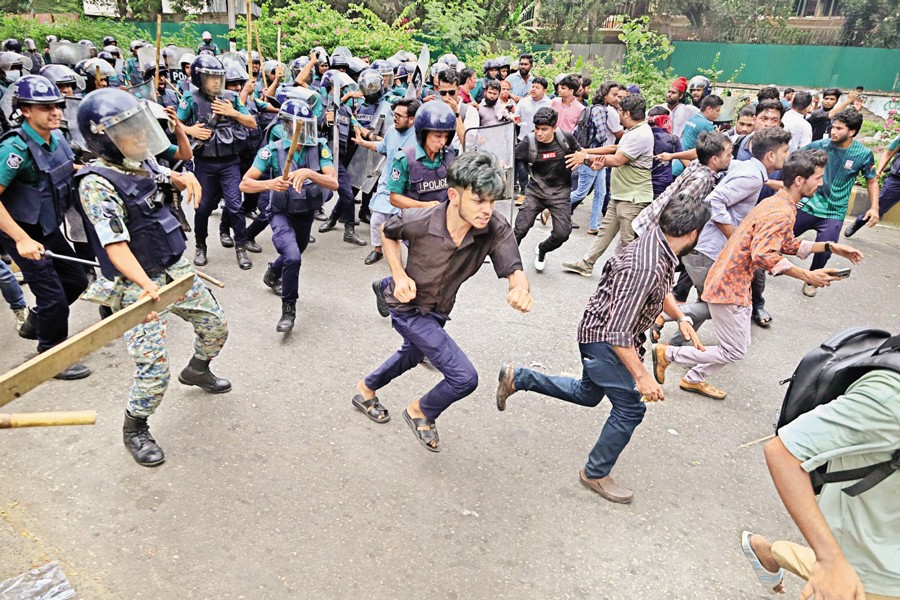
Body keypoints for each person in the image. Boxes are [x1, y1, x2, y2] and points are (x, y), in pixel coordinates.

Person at [496, 193, 710, 504]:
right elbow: (618, 333)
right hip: (605, 340)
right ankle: (595, 473)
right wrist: (642, 377)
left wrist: (680, 317)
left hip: (602, 333)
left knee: (588, 394)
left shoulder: (660, 245)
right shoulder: (646, 264)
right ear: (693, 233)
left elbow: (661, 288)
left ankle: (519, 378)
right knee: (631, 408)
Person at [75, 88, 229, 467]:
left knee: (215, 327)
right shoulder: (96, 183)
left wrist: (183, 178)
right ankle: (135, 428)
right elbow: (115, 246)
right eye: (130, 130)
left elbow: (165, 175)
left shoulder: (139, 160)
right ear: (105, 139)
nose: (141, 135)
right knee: (154, 371)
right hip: (135, 285)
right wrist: (146, 286)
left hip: (173, 267)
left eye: (139, 126)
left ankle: (197, 370)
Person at [354, 152, 532, 452]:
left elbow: (514, 270)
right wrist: (398, 275)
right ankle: (420, 411)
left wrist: (521, 289)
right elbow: (388, 231)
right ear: (453, 195)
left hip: (439, 310)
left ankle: (365, 389)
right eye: (479, 200)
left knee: (411, 355)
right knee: (464, 377)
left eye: (492, 201)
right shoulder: (421, 219)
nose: (487, 209)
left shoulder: (493, 227)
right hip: (408, 307)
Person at [653, 149, 863, 400]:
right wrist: (808, 276)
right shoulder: (780, 211)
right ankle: (668, 354)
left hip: (730, 282)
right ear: (799, 180)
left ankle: (693, 376)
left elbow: (787, 244)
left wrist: (829, 246)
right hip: (731, 286)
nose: (821, 183)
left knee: (735, 342)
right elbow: (764, 255)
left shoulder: (779, 203)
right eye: (818, 178)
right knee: (735, 350)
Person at [741, 368, 900, 600]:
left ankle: (769, 553)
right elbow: (783, 452)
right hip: (871, 572)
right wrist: (830, 559)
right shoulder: (891, 397)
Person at [0, 75, 89, 380]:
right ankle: (51, 355)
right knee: (52, 296)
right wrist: (21, 239)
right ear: (25, 110)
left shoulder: (57, 138)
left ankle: (37, 320)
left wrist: (89, 169)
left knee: (76, 280)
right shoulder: (14, 148)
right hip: (21, 230)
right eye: (45, 107)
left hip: (48, 225)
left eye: (57, 106)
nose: (55, 112)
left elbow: (61, 168)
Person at [240, 100, 337, 333]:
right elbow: (245, 183)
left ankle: (273, 273)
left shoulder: (319, 147)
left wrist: (310, 174)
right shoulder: (272, 151)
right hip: (281, 212)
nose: (301, 130)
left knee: (296, 250)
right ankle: (288, 309)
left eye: (305, 124)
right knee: (293, 257)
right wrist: (270, 184)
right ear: (286, 125)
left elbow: (333, 182)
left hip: (306, 212)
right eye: (296, 124)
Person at [177, 54, 258, 269]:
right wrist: (190, 130)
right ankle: (200, 245)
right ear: (199, 78)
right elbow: (174, 123)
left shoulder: (231, 97)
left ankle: (240, 247)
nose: (215, 82)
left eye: (218, 77)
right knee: (202, 208)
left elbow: (252, 123)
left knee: (235, 206)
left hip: (230, 163)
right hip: (204, 164)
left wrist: (233, 112)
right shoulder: (190, 98)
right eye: (210, 77)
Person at [561, 93, 654, 277]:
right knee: (605, 232)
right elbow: (614, 148)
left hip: (633, 197)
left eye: (619, 111)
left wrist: (586, 158)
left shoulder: (640, 134)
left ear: (627, 113)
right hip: (621, 193)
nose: (617, 114)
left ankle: (631, 277)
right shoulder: (633, 130)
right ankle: (586, 264)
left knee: (628, 241)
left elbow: (618, 159)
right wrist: (586, 151)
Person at [795, 108, 879, 297]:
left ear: (852, 132)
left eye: (839, 128)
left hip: (834, 211)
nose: (833, 131)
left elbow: (872, 180)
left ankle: (812, 279)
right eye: (833, 126)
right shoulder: (820, 146)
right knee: (781, 235)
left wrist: (874, 208)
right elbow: (794, 159)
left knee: (826, 249)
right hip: (808, 204)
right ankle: (766, 261)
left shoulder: (863, 154)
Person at [352, 98, 419, 265]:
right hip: (387, 185)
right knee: (376, 220)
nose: (394, 118)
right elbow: (382, 147)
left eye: (399, 116)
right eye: (394, 114)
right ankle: (377, 250)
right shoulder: (391, 130)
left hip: (407, 190)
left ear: (412, 119)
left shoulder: (420, 136)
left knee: (406, 227)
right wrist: (363, 143)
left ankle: (413, 259)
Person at [513, 107, 579, 272]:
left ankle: (542, 249)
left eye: (544, 129)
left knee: (563, 233)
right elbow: (514, 158)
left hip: (560, 193)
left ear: (554, 128)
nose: (539, 133)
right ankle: (509, 260)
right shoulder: (529, 142)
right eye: (537, 128)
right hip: (536, 191)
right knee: (520, 229)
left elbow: (579, 153)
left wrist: (584, 161)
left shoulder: (566, 139)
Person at [386, 100, 457, 209]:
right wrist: (425, 206)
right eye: (438, 136)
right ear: (423, 134)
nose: (443, 142)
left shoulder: (449, 155)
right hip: (416, 217)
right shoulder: (405, 158)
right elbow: (394, 198)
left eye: (446, 137)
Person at [569, 84, 612, 234]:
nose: (616, 98)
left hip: (595, 156)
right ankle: (550, 206)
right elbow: (601, 136)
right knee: (581, 192)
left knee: (601, 192)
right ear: (605, 95)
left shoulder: (589, 108)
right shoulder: (600, 110)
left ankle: (594, 225)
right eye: (614, 95)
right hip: (591, 156)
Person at [845, 131, 900, 238]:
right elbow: (889, 152)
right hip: (897, 180)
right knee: (880, 206)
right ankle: (859, 222)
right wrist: (879, 169)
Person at [671, 94, 723, 177]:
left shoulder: (694, 118)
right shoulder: (706, 124)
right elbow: (715, 146)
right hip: (687, 167)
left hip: (678, 163)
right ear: (708, 109)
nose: (718, 114)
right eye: (717, 110)